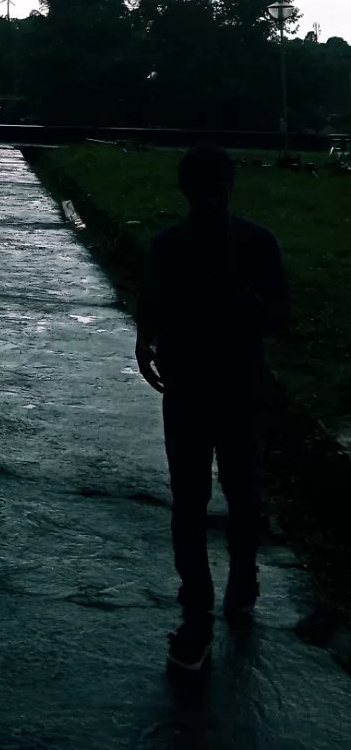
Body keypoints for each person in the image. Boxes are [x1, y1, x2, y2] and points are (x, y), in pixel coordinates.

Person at [135, 144, 290, 673]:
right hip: (219, 388)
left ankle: (216, 596)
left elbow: (277, 314)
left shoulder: (179, 245)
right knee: (214, 495)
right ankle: (210, 602)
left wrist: (147, 341)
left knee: (202, 499)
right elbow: (279, 317)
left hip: (208, 388)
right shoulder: (250, 242)